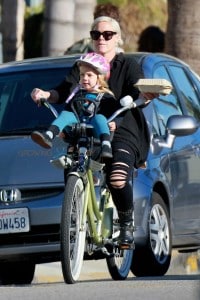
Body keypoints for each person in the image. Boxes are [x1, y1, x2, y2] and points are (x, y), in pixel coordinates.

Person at [31, 16, 156, 248]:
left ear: (117, 38)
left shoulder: (128, 65)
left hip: (121, 130)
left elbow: (140, 93)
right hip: (83, 130)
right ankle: (77, 216)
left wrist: (145, 96)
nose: (102, 39)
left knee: (117, 179)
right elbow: (62, 90)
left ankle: (126, 224)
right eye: (96, 34)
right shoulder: (83, 64)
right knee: (71, 170)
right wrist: (46, 95)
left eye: (108, 34)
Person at [31, 52, 117, 159]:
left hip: (94, 132)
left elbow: (114, 113)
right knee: (66, 114)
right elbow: (70, 110)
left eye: (89, 75)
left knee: (100, 118)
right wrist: (64, 130)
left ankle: (106, 145)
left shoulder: (105, 96)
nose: (84, 78)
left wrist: (114, 123)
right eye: (82, 74)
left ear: (99, 78)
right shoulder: (77, 94)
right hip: (77, 132)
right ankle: (49, 135)